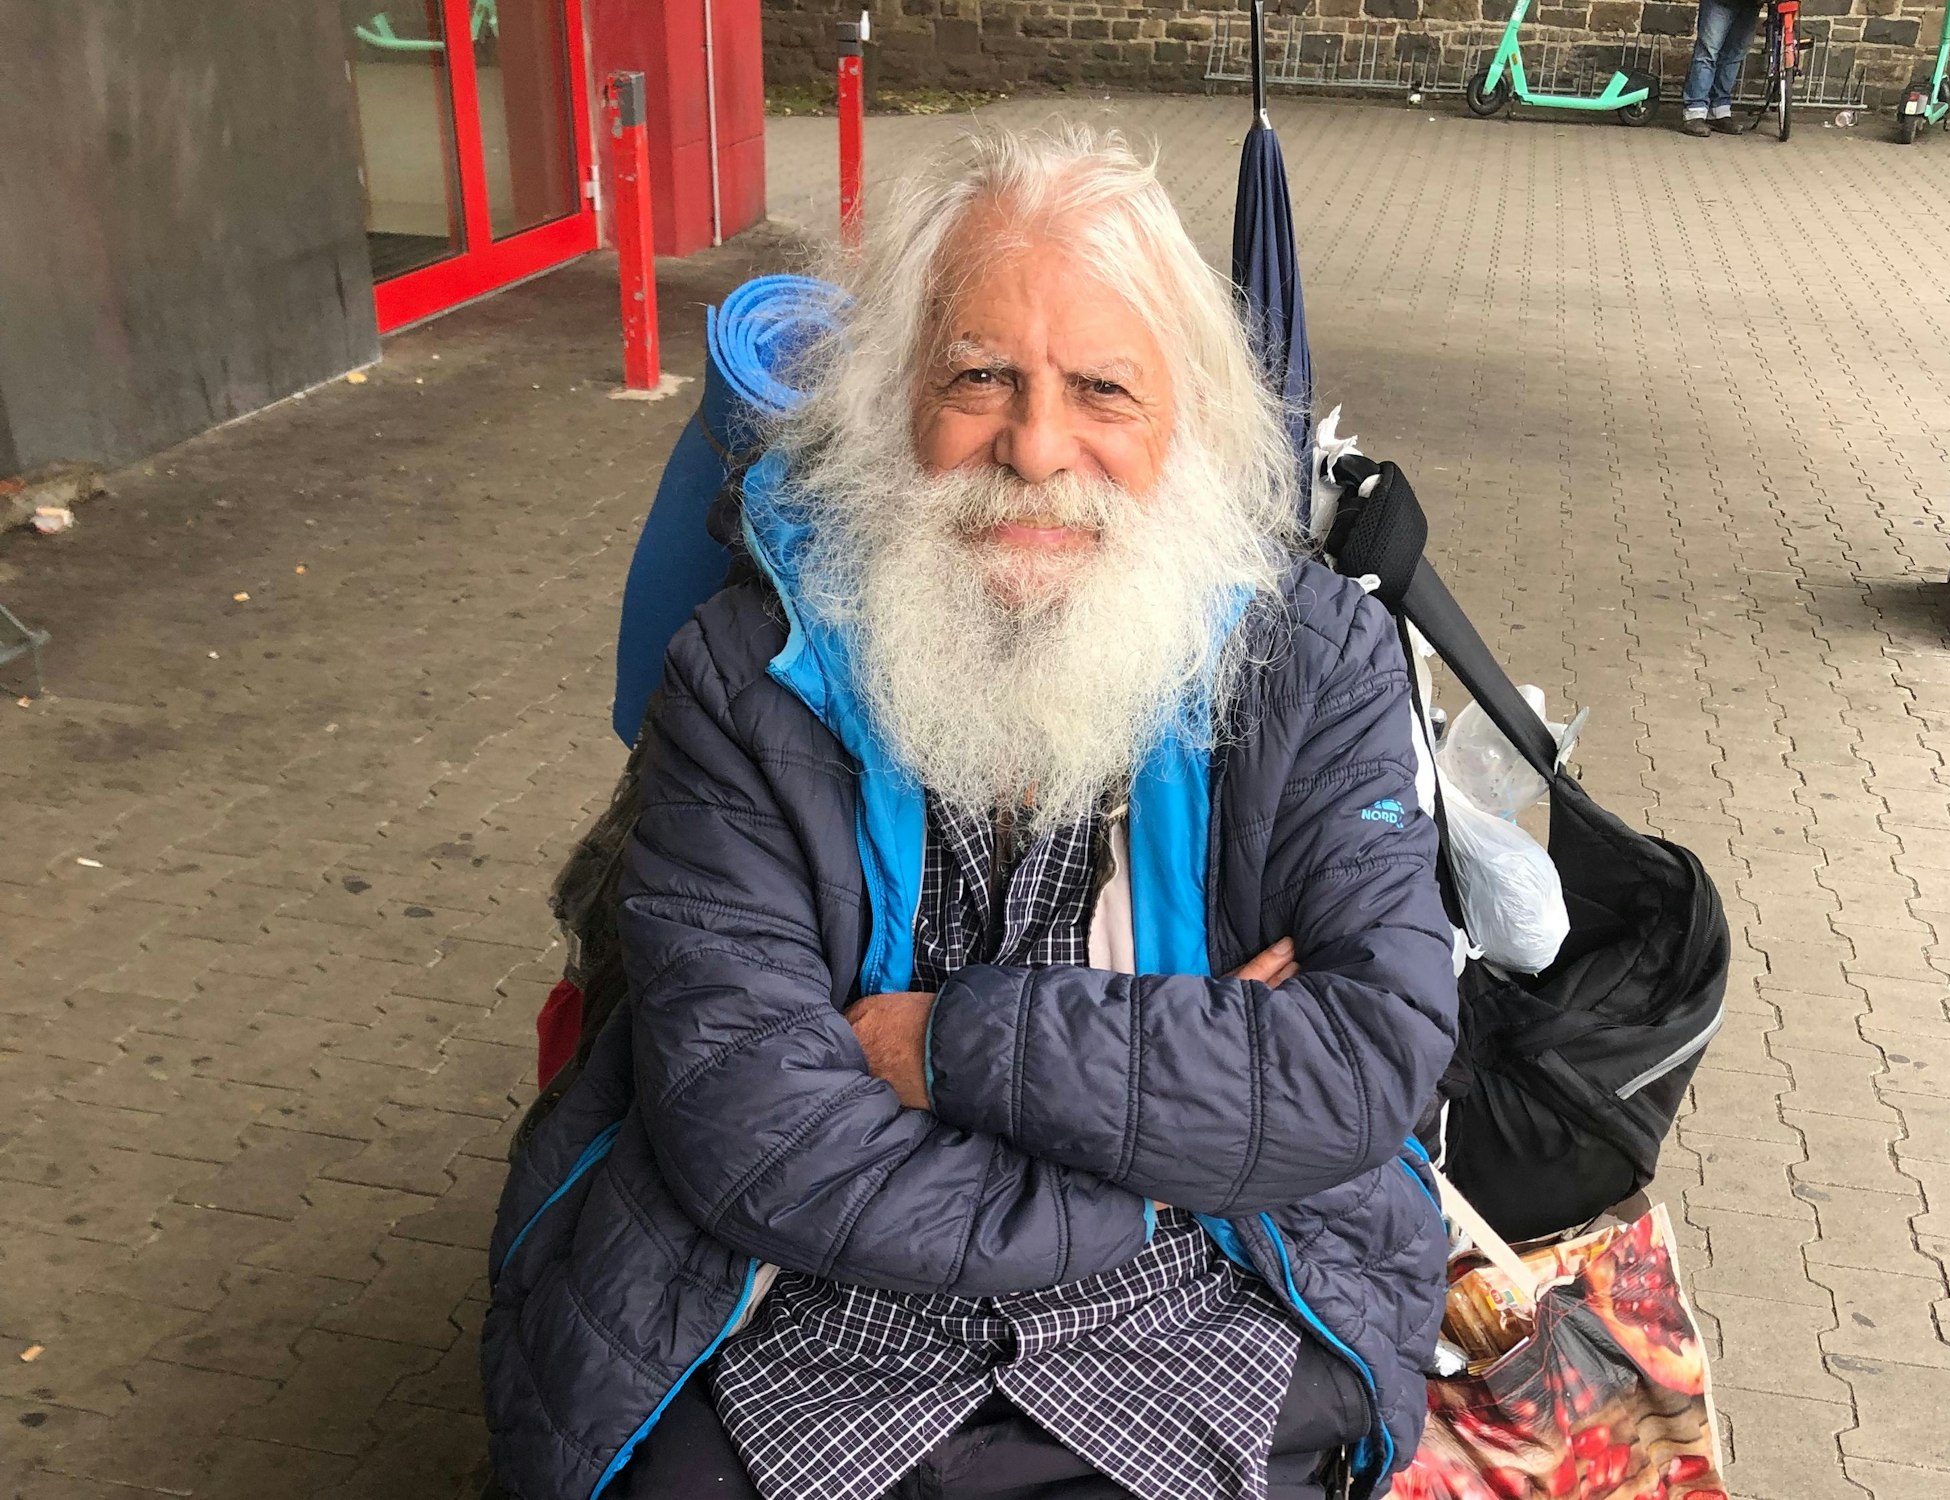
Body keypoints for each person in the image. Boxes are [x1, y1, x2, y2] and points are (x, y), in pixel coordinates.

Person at [482, 125, 1459, 1500]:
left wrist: (946, 1045)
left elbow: (1362, 1061)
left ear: (1190, 419)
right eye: (981, 376)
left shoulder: (1314, 663)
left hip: (1206, 1304)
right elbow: (758, 1128)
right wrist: (1171, 1158)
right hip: (805, 1298)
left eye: (1103, 389)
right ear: (897, 398)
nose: (1036, 448)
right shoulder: (746, 673)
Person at [1681, 0, 1763, 135]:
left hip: (1751, 3)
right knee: (1708, 51)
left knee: (1735, 54)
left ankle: (1719, 110)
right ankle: (1694, 112)